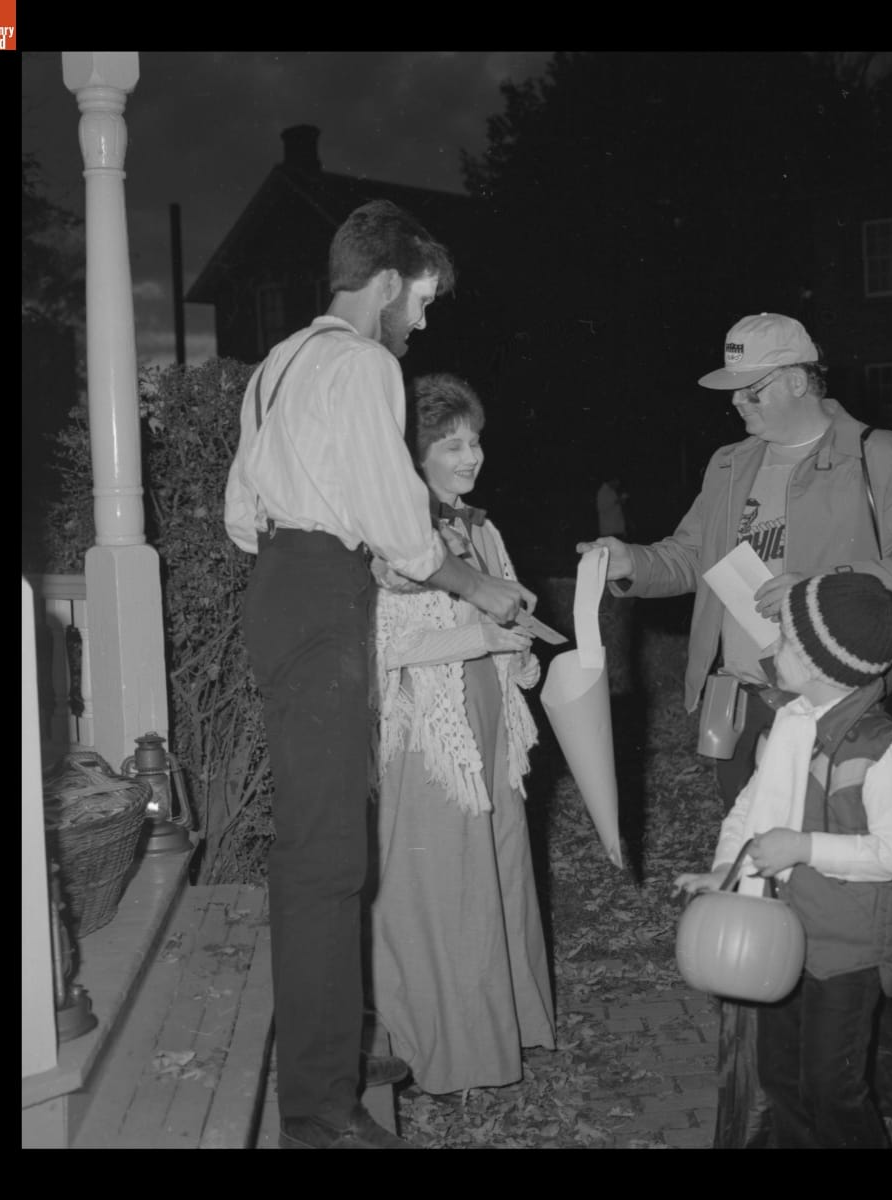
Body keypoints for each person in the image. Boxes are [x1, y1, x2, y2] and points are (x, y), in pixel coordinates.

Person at [224, 201, 534, 1150]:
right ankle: (317, 1110)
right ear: (391, 282)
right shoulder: (366, 364)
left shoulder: (281, 363)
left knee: (331, 846)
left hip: (287, 580)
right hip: (320, 594)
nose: (425, 321)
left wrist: (338, 546)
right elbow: (401, 523)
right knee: (326, 863)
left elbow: (243, 512)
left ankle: (340, 1044)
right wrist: (473, 581)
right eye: (425, 299)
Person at [577, 312, 892, 812]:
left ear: (797, 381)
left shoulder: (882, 457)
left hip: (834, 701)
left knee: (821, 862)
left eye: (751, 388)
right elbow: (691, 556)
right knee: (747, 849)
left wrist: (818, 589)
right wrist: (633, 563)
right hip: (741, 699)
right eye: (733, 389)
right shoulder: (730, 464)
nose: (735, 400)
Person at [674, 572, 892, 1148]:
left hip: (847, 948)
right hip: (787, 934)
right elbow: (751, 805)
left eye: (785, 640)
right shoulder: (792, 723)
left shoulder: (880, 752)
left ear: (823, 664)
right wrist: (727, 869)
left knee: (831, 1088)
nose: (771, 650)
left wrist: (802, 847)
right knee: (780, 1078)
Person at [371, 373, 556, 1096]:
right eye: (451, 444)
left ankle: (502, 1032)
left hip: (491, 723)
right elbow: (388, 646)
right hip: (432, 736)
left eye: (474, 439)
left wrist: (521, 646)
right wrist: (482, 635)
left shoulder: (480, 526)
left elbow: (498, 619)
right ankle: (445, 1050)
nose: (470, 455)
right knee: (443, 887)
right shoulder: (397, 536)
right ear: (414, 455)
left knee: (498, 873)